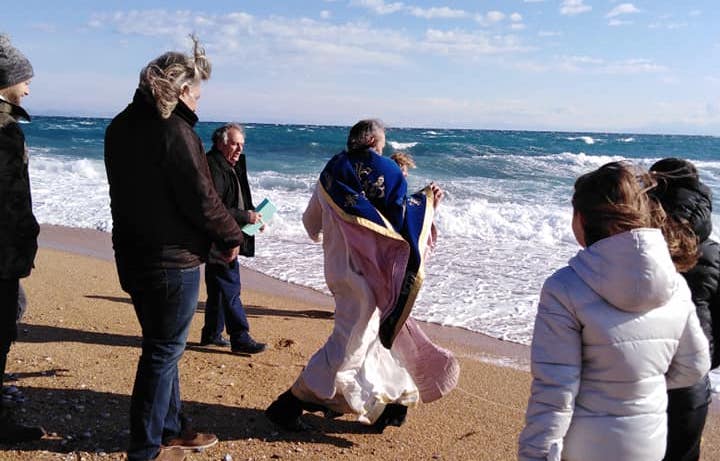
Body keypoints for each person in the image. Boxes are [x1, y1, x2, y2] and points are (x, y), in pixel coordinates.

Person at [265, 119, 459, 432]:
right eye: (382, 143)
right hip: (372, 276)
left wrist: (329, 233)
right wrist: (429, 203)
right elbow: (402, 224)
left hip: (338, 271)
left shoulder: (331, 173)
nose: (383, 150)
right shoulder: (387, 171)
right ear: (371, 141)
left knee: (374, 339)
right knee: (350, 344)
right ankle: (290, 403)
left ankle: (391, 406)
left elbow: (310, 223)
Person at [104, 36, 244, 461]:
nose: (198, 103)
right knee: (162, 352)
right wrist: (232, 236)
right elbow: (202, 200)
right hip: (170, 261)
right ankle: (146, 448)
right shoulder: (175, 131)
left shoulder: (120, 126)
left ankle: (171, 428)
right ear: (182, 90)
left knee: (163, 346)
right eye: (197, 95)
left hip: (132, 253)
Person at [518, 161, 710, 461]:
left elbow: (555, 390)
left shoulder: (565, 287)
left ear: (581, 219)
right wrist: (638, 384)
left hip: (585, 448)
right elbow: (695, 367)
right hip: (649, 446)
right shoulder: (674, 284)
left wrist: (535, 455)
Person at [649, 158, 718, 461]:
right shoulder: (713, 252)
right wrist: (705, 358)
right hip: (692, 379)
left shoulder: (638, 246)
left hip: (637, 374)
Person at [0, 33, 46, 444]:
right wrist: (25, 244)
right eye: (25, 80)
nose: (28, 88)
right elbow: (11, 203)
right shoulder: (5, 131)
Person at [200, 123, 266, 354]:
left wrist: (254, 217)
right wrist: (246, 216)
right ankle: (240, 337)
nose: (239, 149)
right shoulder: (213, 166)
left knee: (219, 287)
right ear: (221, 143)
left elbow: (238, 198)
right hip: (220, 236)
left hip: (226, 233)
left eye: (242, 145)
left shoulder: (230, 164)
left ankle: (211, 334)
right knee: (230, 286)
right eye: (235, 144)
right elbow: (214, 207)